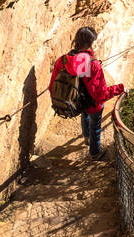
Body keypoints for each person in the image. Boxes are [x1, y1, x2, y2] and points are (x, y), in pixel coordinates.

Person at [49, 27, 125, 158]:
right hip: (92, 103)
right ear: (91, 43)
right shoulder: (93, 64)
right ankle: (95, 153)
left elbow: (52, 87)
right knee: (95, 126)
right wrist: (119, 89)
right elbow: (99, 95)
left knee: (85, 114)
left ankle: (86, 138)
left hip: (76, 102)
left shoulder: (62, 61)